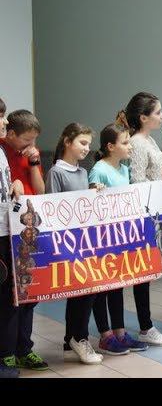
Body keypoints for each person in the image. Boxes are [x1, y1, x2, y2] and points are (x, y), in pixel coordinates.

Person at [46, 123, 104, 365]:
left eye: (89, 144)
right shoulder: (56, 172)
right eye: (82, 142)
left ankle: (71, 340)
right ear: (68, 142)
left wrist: (93, 192)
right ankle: (79, 338)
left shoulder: (82, 172)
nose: (87, 148)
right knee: (82, 291)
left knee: (85, 292)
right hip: (68, 244)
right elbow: (53, 208)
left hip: (86, 242)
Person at [89, 122, 149, 355]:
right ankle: (105, 336)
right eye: (125, 143)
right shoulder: (99, 170)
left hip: (120, 237)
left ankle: (120, 333)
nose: (130, 146)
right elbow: (91, 201)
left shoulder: (124, 169)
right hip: (102, 238)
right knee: (102, 288)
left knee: (117, 286)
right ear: (110, 146)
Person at [123, 92, 162, 346]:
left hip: (158, 210)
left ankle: (147, 326)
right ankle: (146, 327)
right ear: (143, 117)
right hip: (146, 213)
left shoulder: (150, 140)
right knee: (143, 274)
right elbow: (137, 180)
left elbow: (152, 172)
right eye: (157, 112)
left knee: (151, 271)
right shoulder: (137, 143)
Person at [0, 107, 48, 376]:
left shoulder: (31, 154)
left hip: (28, 227)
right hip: (7, 228)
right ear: (11, 134)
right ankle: (6, 351)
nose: (31, 144)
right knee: (10, 296)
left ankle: (23, 348)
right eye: (26, 139)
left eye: (34, 140)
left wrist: (33, 162)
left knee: (29, 292)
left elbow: (40, 190)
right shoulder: (2, 149)